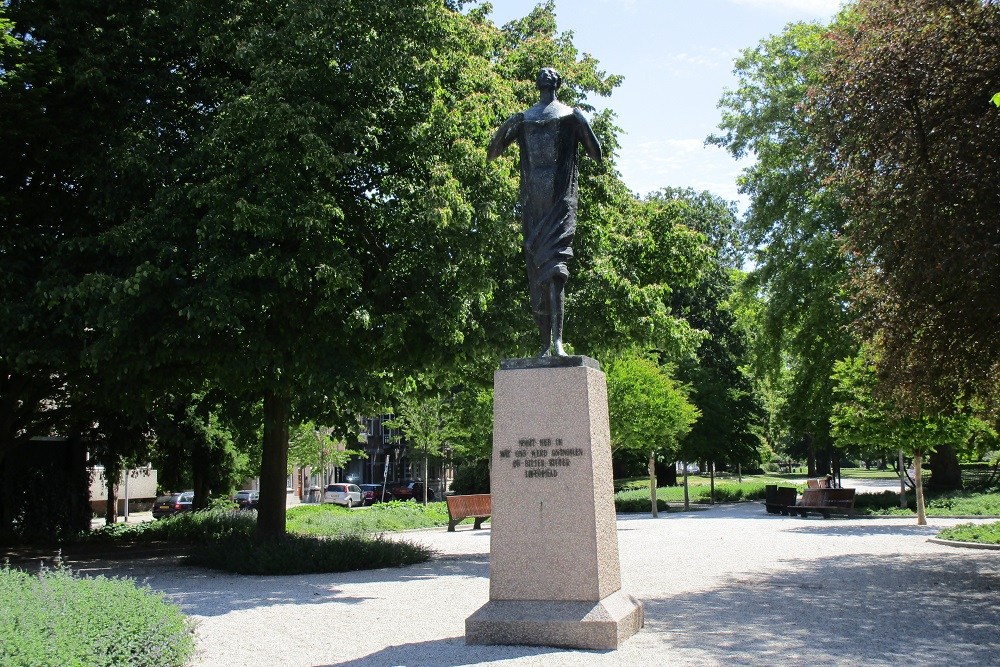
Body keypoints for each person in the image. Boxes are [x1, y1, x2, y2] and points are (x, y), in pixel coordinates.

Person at [487, 67, 602, 357]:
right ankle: (543, 344)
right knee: (536, 272)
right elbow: (493, 152)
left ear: (557, 83)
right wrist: (508, 125)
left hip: (560, 202)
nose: (544, 77)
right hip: (533, 205)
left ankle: (558, 343)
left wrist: (581, 121)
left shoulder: (569, 115)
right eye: (541, 75)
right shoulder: (525, 119)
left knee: (555, 272)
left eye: (549, 75)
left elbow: (596, 153)